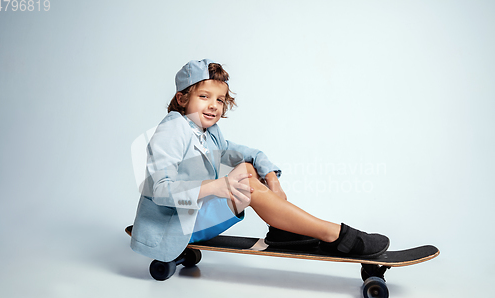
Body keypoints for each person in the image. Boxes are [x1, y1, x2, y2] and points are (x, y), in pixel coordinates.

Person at [130, 59, 389, 263]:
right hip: (173, 225)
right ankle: (334, 234)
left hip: (192, 213)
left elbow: (249, 154)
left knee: (247, 169)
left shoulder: (208, 133)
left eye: (219, 100)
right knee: (245, 184)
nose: (213, 106)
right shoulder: (173, 129)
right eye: (204, 97)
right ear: (182, 98)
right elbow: (160, 190)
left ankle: (283, 232)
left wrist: (273, 179)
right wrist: (217, 186)